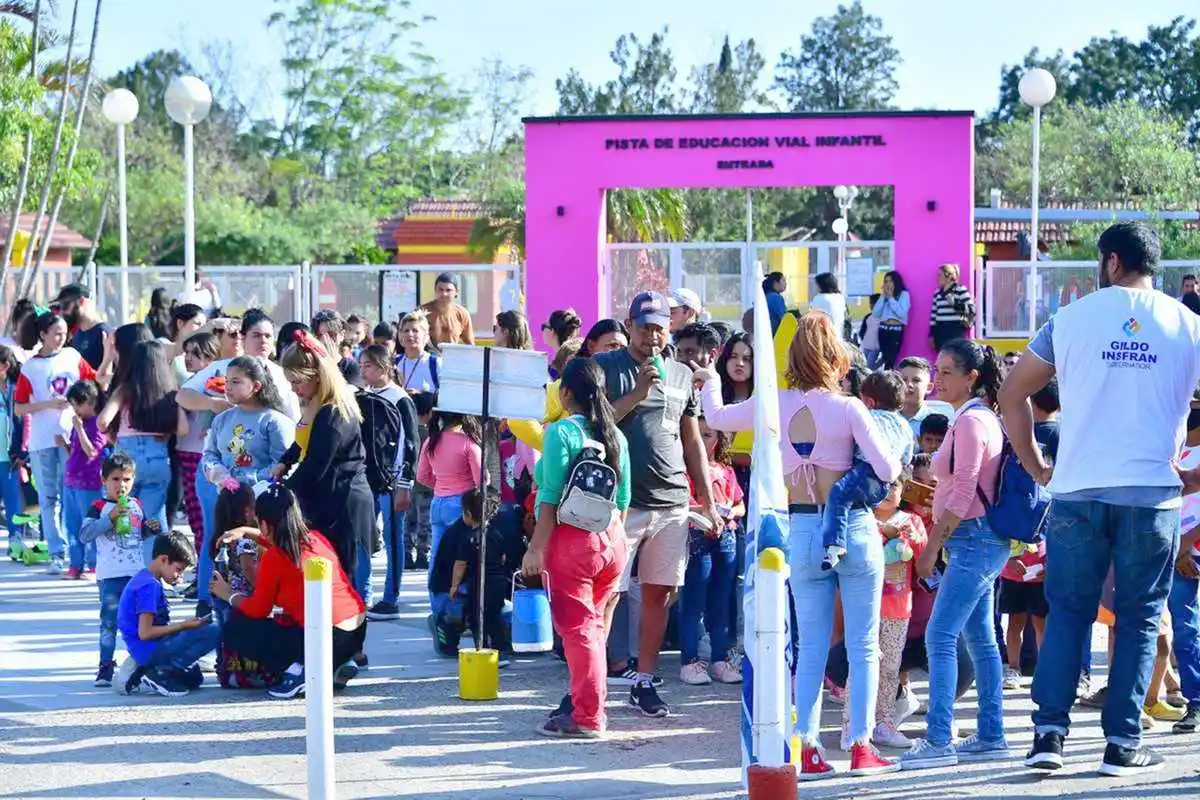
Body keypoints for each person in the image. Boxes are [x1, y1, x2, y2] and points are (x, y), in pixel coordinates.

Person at [1000, 221, 1200, 776]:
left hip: (1078, 491)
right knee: (1137, 619)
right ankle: (1121, 743)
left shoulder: (1069, 320)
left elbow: (1012, 393)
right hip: (1153, 497)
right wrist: (1191, 473)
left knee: (1067, 612)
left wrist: (1037, 464)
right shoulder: (1189, 325)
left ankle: (1048, 736)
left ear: (1111, 262)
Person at [697, 311, 902, 779]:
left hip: (802, 528)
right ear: (836, 357)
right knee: (863, 643)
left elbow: (717, 416)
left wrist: (709, 377)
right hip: (852, 526)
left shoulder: (775, 402)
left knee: (809, 643)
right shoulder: (849, 408)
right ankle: (860, 745)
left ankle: (807, 745)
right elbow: (889, 470)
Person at [592, 291, 720, 719]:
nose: (652, 334)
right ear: (629, 325)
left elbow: (692, 440)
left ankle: (644, 682)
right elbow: (596, 423)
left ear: (670, 328)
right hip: (622, 501)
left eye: (659, 326)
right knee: (607, 593)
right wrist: (639, 391)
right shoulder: (606, 367)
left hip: (672, 501)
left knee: (660, 594)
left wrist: (710, 499)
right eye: (644, 325)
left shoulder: (682, 374)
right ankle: (589, 684)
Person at [902, 340, 1009, 770]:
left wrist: (932, 546)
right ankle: (990, 734)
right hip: (978, 538)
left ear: (972, 378)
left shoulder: (970, 423)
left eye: (948, 372)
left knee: (940, 635)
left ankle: (938, 739)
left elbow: (963, 489)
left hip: (972, 538)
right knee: (980, 640)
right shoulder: (977, 418)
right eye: (938, 369)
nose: (939, 378)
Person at [521, 356, 630, 738]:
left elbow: (549, 497)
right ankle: (589, 705)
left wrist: (536, 548)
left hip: (571, 542)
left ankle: (587, 716)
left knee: (579, 631)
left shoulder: (561, 433)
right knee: (595, 628)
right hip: (612, 540)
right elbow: (624, 498)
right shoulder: (616, 434)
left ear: (566, 392)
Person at [211, 483, 367, 700]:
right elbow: (275, 536)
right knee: (290, 618)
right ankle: (337, 661)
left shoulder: (275, 559)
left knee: (237, 629)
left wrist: (228, 593)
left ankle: (301, 671)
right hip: (356, 629)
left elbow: (258, 610)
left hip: (325, 635)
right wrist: (246, 531)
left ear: (264, 524)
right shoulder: (315, 538)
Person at [277, 331, 376, 619]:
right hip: (328, 498)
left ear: (317, 376)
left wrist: (280, 493)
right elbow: (302, 444)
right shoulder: (317, 405)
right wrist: (285, 462)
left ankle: (352, 649)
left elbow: (315, 465)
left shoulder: (332, 413)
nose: (294, 389)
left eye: (297, 381)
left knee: (345, 581)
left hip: (342, 504)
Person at [195, 355, 295, 610]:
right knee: (222, 553)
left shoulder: (273, 421)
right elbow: (209, 455)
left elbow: (283, 463)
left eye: (236, 381)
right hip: (227, 503)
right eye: (227, 381)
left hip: (258, 509)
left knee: (252, 561)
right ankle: (216, 604)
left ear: (257, 385)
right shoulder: (222, 420)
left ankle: (258, 605)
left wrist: (251, 480)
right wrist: (220, 474)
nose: (228, 387)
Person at [14, 312, 103, 574]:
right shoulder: (31, 366)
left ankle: (83, 555)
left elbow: (94, 382)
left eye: (65, 333)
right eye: (56, 333)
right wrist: (48, 404)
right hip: (42, 440)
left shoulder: (73, 356)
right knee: (47, 499)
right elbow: (19, 408)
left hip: (72, 439)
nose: (62, 338)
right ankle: (56, 552)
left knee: (73, 499)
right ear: (42, 334)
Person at [848, 469, 926, 749]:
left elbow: (921, 553)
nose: (889, 491)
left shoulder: (911, 520)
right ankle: (853, 724)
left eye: (895, 485)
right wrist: (882, 534)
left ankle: (883, 723)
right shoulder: (862, 519)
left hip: (898, 608)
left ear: (904, 490)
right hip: (865, 606)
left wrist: (909, 538)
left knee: (890, 668)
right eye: (883, 485)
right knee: (860, 665)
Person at [80, 453, 159, 687]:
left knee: (141, 621)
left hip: (136, 573)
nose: (121, 485)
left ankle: (141, 664)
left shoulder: (136, 505)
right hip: (111, 576)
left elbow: (136, 535)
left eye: (126, 479)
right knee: (109, 622)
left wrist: (149, 529)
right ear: (104, 480)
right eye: (115, 479)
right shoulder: (99, 507)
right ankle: (105, 665)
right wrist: (110, 518)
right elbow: (85, 535)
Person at [820, 370, 913, 571]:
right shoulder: (905, 425)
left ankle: (836, 544)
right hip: (885, 484)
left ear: (869, 402)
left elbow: (851, 444)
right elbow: (907, 458)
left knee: (838, 495)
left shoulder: (869, 417)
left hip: (864, 470)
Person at [99, 340, 187, 541]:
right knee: (154, 518)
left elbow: (102, 421)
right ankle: (157, 566)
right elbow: (183, 429)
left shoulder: (125, 389)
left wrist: (116, 438)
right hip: (157, 457)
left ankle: (126, 563)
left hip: (126, 459)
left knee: (124, 516)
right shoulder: (170, 393)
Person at [678, 418, 744, 686]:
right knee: (693, 601)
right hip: (698, 536)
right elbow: (683, 505)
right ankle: (689, 661)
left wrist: (730, 510)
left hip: (726, 536)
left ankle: (719, 659)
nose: (703, 440)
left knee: (721, 600)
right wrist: (706, 511)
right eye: (698, 435)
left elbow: (741, 505)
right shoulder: (684, 471)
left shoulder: (726, 470)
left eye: (708, 435)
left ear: (718, 439)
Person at [115, 530, 217, 697]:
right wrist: (183, 626)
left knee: (194, 678)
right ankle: (160, 673)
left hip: (148, 647)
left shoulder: (146, 578)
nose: (180, 577)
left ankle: (142, 669)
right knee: (213, 630)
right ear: (163, 559)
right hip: (147, 649)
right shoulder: (149, 587)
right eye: (178, 569)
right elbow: (145, 633)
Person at [358, 344, 419, 622]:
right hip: (366, 480)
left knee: (394, 539)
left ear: (383, 367)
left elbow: (410, 442)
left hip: (392, 480)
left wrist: (405, 482)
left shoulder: (399, 398)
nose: (363, 371)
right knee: (364, 538)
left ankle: (390, 598)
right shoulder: (364, 395)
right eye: (361, 366)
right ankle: (362, 594)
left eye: (368, 366)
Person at [179, 311, 300, 423]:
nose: (263, 341)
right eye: (256, 335)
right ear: (242, 338)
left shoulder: (282, 373)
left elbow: (293, 417)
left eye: (268, 336)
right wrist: (212, 403)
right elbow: (182, 396)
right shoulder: (221, 367)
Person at [416, 409, 482, 605]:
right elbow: (481, 481)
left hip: (438, 502)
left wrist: (440, 485)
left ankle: (436, 605)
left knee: (436, 555)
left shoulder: (431, 441)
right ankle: (459, 606)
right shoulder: (469, 444)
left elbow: (421, 476)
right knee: (462, 557)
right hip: (462, 507)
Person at [176, 332, 220, 556]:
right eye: (187, 352)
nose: (189, 358)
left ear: (211, 356)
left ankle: (207, 562)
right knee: (194, 513)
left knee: (203, 515)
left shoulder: (215, 382)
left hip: (202, 453)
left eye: (196, 353)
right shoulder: (188, 384)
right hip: (186, 450)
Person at [60, 380, 107, 579]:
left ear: (89, 402)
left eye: (76, 404)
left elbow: (92, 451)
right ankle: (75, 563)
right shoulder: (78, 424)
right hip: (71, 481)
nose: (74, 409)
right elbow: (75, 450)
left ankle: (94, 564)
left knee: (89, 524)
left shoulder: (97, 424)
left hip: (89, 483)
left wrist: (79, 429)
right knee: (71, 524)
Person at [53, 283, 110, 371]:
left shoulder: (105, 334)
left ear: (81, 301)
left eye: (65, 305)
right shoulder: (76, 336)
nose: (61, 312)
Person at [897, 357, 952, 440]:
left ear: (929, 387)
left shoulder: (939, 423)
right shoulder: (886, 417)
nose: (909, 385)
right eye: (904, 380)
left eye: (916, 380)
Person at [0, 345, 23, 541]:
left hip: (9, 454)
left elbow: (22, 422)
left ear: (5, 366)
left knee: (12, 499)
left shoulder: (16, 389)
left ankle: (16, 539)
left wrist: (21, 451)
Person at [928, 263, 974, 351]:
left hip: (955, 330)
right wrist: (932, 334)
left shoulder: (960, 289)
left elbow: (972, 309)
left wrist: (955, 303)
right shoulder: (937, 293)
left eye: (940, 275)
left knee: (956, 357)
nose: (937, 278)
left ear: (948, 276)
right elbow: (933, 316)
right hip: (941, 331)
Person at [421, 272, 475, 348]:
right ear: (435, 290)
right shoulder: (422, 312)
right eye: (440, 289)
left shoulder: (462, 314)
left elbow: (470, 344)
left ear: (456, 292)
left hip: (453, 357)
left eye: (448, 290)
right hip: (428, 358)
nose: (444, 294)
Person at [312, 309, 363, 387]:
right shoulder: (310, 365)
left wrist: (334, 363)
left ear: (342, 335)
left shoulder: (351, 368)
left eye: (331, 335)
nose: (325, 341)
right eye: (320, 335)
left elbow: (349, 395)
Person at [395, 310, 439, 394]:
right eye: (406, 331)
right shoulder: (394, 363)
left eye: (415, 330)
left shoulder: (435, 364)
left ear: (426, 336)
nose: (410, 334)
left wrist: (421, 395)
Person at [874, 271, 911, 370]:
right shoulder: (884, 297)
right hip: (883, 329)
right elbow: (876, 313)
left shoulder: (904, 295)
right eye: (885, 281)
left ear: (896, 282)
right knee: (885, 358)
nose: (888, 284)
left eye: (890, 281)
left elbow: (901, 312)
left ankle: (888, 379)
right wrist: (883, 297)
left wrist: (891, 298)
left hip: (896, 330)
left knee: (891, 359)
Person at [811, 273, 848, 341]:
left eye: (816, 284)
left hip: (824, 340)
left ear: (822, 285)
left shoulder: (819, 298)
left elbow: (813, 320)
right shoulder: (840, 297)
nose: (815, 287)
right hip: (839, 338)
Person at [860, 294, 882, 369]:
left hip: (876, 346)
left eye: (873, 304)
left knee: (869, 366)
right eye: (870, 303)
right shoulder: (868, 317)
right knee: (864, 364)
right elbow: (862, 331)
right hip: (867, 345)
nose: (871, 306)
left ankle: (882, 362)